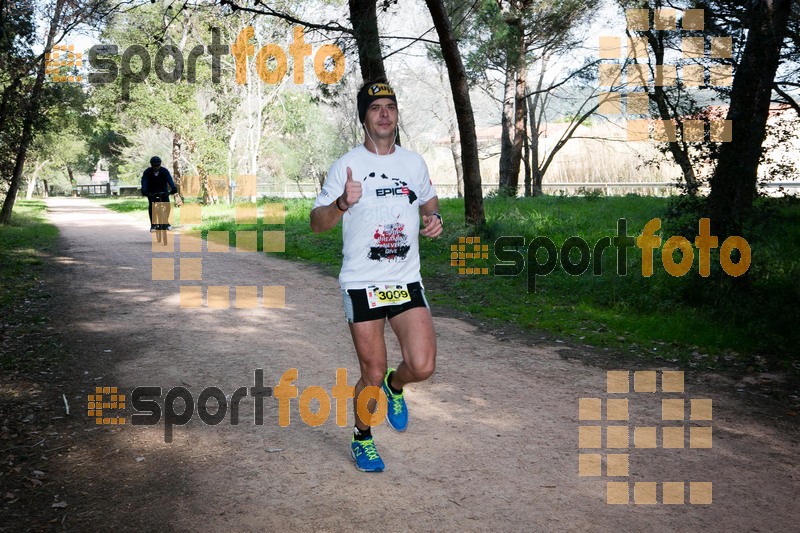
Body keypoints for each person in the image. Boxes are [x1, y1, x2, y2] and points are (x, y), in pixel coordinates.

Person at [310, 80, 443, 472]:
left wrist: (433, 217)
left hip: (405, 280)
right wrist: (341, 202)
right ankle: (362, 437)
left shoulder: (413, 163)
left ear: (397, 115)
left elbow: (429, 200)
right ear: (364, 118)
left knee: (422, 365)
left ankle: (395, 385)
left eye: (390, 106)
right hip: (362, 283)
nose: (384, 114)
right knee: (370, 370)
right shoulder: (347, 165)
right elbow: (318, 224)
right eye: (375, 108)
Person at [141, 156, 177, 231]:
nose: (156, 167)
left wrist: (173, 188)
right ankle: (153, 224)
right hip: (151, 192)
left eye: (158, 165)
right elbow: (144, 182)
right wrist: (144, 191)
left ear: (160, 164)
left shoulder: (164, 171)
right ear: (151, 165)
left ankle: (166, 222)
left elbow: (170, 180)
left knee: (167, 205)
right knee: (152, 205)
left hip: (163, 191)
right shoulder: (147, 172)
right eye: (154, 165)